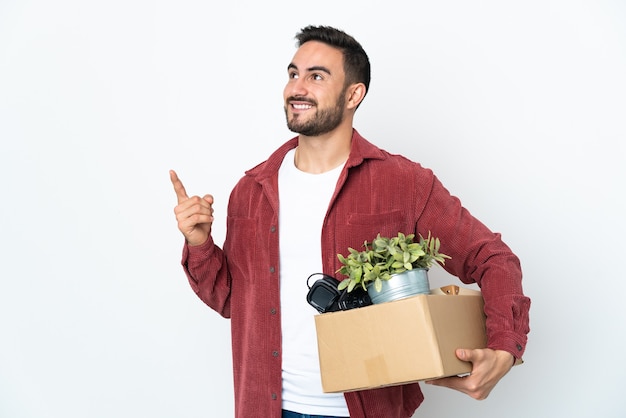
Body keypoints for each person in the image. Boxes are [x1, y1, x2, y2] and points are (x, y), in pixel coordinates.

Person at [170, 25, 530, 418]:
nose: (297, 87)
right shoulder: (251, 190)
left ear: (353, 95)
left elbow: (493, 258)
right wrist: (200, 245)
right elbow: (233, 301)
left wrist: (503, 346)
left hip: (363, 409)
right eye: (293, 74)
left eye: (316, 76)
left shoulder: (403, 183)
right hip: (264, 406)